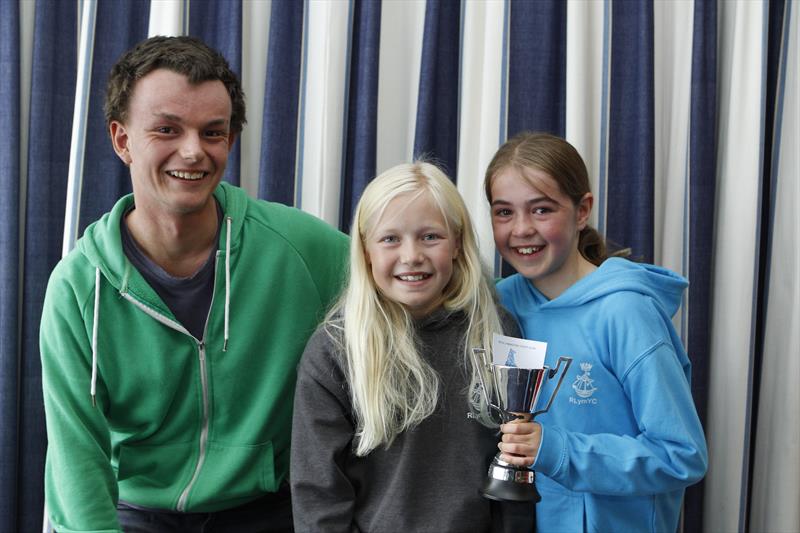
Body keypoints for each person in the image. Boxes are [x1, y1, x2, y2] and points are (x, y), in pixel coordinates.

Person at [39, 36, 349, 532]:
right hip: (137, 512)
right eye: (167, 129)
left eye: (212, 132)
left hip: (269, 509)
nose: (193, 152)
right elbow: (77, 461)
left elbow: (413, 288)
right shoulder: (78, 289)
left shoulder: (301, 248)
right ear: (122, 140)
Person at [289, 162, 535, 532]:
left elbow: (514, 471)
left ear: (456, 242)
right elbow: (317, 491)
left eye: (430, 237)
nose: (411, 256)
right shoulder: (335, 349)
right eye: (390, 239)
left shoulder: (499, 333)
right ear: (366, 249)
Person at [484, 132, 708, 532]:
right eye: (504, 212)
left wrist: (559, 450)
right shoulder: (497, 306)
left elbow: (682, 454)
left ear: (582, 210)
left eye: (541, 210)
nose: (520, 229)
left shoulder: (626, 312)